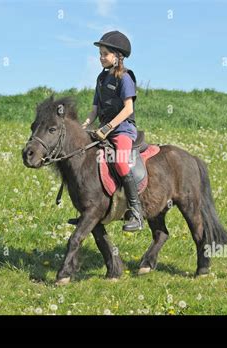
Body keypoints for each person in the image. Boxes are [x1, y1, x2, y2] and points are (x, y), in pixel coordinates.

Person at [81, 30, 143, 231]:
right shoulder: (100, 79)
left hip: (123, 130)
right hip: (104, 130)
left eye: (105, 53)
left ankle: (136, 212)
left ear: (117, 57)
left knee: (120, 161)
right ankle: (90, 209)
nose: (100, 57)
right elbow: (94, 110)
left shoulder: (125, 78)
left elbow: (128, 109)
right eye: (100, 53)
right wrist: (85, 125)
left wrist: (107, 128)